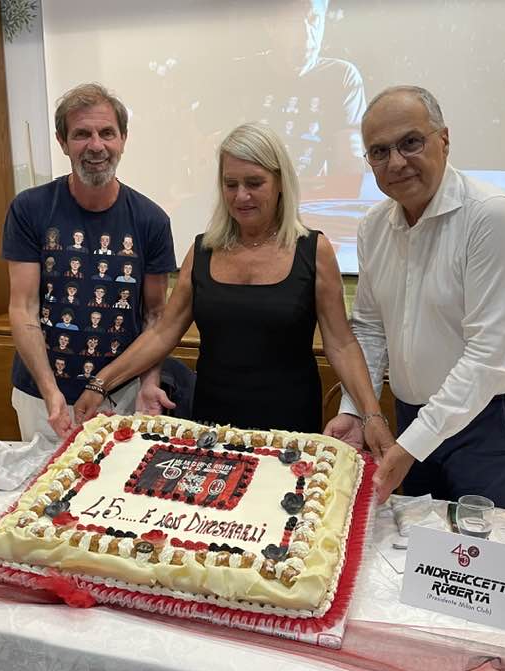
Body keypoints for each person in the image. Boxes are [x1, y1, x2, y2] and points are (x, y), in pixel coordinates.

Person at [74, 122, 392, 454]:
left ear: (280, 182)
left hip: (290, 426)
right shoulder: (202, 251)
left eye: (254, 183)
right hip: (213, 422)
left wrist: (371, 415)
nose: (241, 196)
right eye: (231, 184)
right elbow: (161, 334)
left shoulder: (313, 250)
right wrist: (101, 383)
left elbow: (341, 344)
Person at [325, 86, 505, 510]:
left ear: (444, 140)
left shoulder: (491, 216)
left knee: (477, 543)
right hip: (413, 413)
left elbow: (488, 354)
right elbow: (370, 330)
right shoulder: (373, 225)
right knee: (417, 538)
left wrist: (412, 444)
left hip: (493, 419)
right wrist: (357, 411)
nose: (396, 162)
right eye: (379, 151)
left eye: (410, 142)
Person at [3, 82, 177, 442]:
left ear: (123, 139)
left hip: (121, 394)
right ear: (62, 142)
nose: (96, 146)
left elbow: (156, 317)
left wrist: (150, 382)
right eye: (82, 134)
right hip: (42, 397)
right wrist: (50, 391)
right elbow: (23, 308)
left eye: (107, 133)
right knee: (44, 478)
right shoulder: (29, 209)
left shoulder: (151, 220)